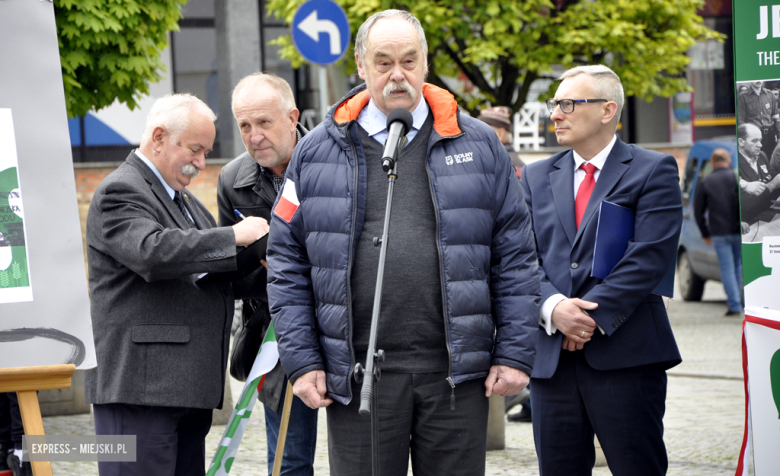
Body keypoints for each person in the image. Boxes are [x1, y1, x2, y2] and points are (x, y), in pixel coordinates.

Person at [266, 9, 540, 476]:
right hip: (358, 379)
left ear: (426, 63)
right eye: (384, 61)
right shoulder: (315, 150)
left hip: (455, 375)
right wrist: (303, 360)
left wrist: (515, 352)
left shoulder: (477, 142)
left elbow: (515, 255)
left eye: (410, 61)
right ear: (361, 65)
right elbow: (286, 260)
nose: (398, 75)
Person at [85, 93, 269, 476]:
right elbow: (152, 252)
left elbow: (207, 272)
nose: (202, 164)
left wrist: (263, 261)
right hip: (141, 391)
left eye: (206, 152)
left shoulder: (184, 201)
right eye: (196, 150)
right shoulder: (120, 190)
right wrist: (234, 235)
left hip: (183, 390)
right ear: (158, 137)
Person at [520, 65, 683, 475]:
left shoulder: (652, 169)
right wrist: (555, 308)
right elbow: (519, 257)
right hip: (552, 361)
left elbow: (649, 257)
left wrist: (588, 318)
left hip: (626, 356)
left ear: (608, 110)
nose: (555, 113)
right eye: (554, 104)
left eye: (568, 103)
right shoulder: (537, 176)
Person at [216, 73, 317, 476]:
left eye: (264, 123)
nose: (254, 135)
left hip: (343, 325)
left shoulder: (336, 160)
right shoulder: (232, 180)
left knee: (362, 453)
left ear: (292, 117)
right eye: (244, 125)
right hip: (276, 331)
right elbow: (232, 275)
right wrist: (269, 269)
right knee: (287, 459)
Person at [693, 148, 743, 316]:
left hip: (720, 232)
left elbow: (698, 211)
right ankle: (743, 303)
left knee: (727, 268)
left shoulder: (707, 181)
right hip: (739, 231)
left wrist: (705, 233)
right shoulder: (736, 177)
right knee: (739, 266)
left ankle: (735, 305)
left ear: (713, 163)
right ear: (728, 161)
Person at [738, 123, 780, 225]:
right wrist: (772, 185)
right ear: (741, 142)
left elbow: (769, 192)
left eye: (760, 140)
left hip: (766, 215)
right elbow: (744, 207)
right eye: (754, 141)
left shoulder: (761, 156)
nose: (760, 145)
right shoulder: (734, 163)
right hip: (748, 222)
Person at [477, 106, 525, 178]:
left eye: (481, 133)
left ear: (500, 135)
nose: (476, 138)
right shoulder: (521, 166)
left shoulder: (493, 163)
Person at [737, 81, 780, 160]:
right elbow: (741, 121)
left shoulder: (769, 94)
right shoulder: (743, 96)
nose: (758, 81)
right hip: (754, 137)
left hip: (770, 135)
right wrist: (746, 138)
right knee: (757, 161)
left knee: (771, 161)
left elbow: (776, 118)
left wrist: (779, 136)